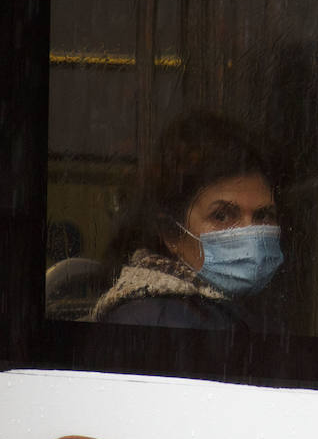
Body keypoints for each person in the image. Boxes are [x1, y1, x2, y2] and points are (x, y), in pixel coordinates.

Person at [88, 111, 288, 330]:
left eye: (263, 215)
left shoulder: (221, 307)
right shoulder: (160, 321)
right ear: (171, 232)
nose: (250, 232)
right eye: (221, 215)